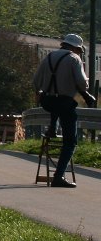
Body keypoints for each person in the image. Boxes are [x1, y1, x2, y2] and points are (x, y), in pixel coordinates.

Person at [33, 33, 97, 188]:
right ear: (76, 48)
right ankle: (58, 176)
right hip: (64, 102)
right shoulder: (74, 59)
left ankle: (52, 128)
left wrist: (43, 91)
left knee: (57, 106)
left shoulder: (48, 57)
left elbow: (36, 81)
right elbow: (82, 83)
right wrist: (84, 91)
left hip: (48, 101)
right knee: (70, 142)